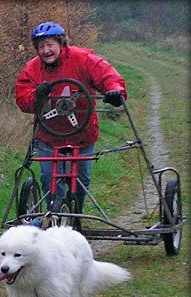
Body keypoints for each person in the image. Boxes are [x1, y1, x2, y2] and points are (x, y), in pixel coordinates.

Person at [15, 22, 127, 211]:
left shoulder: (83, 59)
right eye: (41, 46)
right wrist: (37, 95)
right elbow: (22, 99)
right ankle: (55, 220)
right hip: (49, 137)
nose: (45, 50)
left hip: (82, 135)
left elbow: (108, 76)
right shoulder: (32, 69)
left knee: (81, 182)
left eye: (50, 44)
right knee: (50, 182)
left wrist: (115, 91)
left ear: (61, 43)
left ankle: (75, 216)